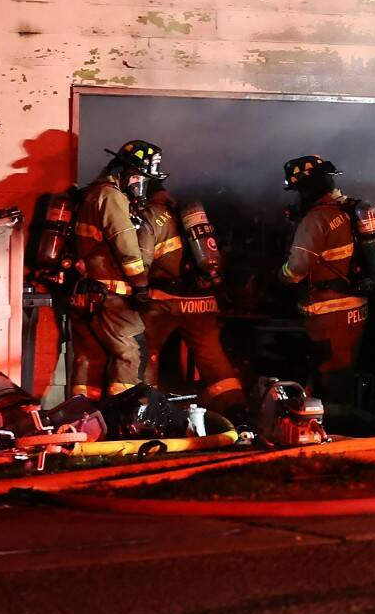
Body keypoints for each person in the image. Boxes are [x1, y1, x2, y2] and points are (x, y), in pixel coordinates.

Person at [136, 189, 246, 418]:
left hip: (165, 301)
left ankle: (145, 410)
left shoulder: (151, 215)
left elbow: (141, 261)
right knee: (212, 356)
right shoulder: (193, 215)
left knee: (147, 351)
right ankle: (233, 408)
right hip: (203, 302)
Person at [68, 139, 164, 400]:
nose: (139, 186)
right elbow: (127, 249)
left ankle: (84, 418)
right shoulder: (111, 196)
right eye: (138, 179)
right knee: (132, 352)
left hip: (87, 294)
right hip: (109, 296)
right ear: (123, 173)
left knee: (89, 359)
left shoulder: (92, 194)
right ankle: (127, 418)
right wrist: (141, 284)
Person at [277, 155, 370, 400]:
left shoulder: (315, 219)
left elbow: (296, 269)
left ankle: (337, 430)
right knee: (344, 372)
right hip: (356, 308)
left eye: (297, 190)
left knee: (331, 377)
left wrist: (280, 276)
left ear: (306, 188)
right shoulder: (351, 210)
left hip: (328, 314)